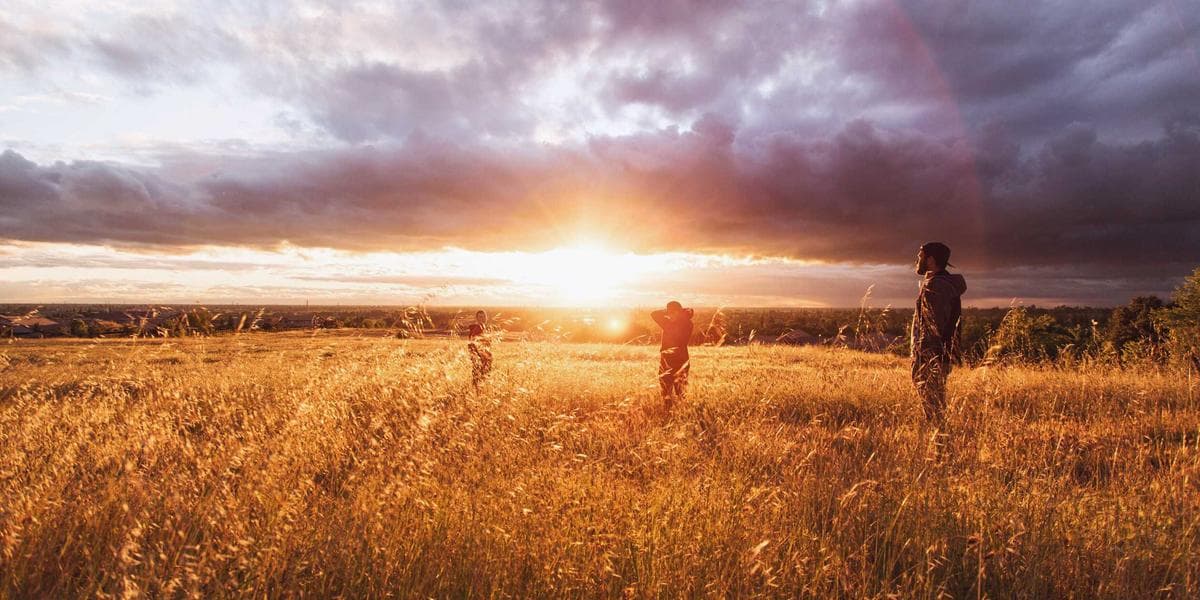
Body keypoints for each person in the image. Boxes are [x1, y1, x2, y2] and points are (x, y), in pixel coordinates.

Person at [911, 242, 967, 425]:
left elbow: (935, 326)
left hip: (932, 355)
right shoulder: (936, 282)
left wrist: (927, 356)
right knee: (934, 401)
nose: (917, 260)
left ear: (931, 260)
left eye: (920, 256)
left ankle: (938, 440)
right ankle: (938, 437)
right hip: (936, 354)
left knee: (933, 403)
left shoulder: (937, 286)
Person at [651, 301, 694, 410]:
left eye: (672, 313)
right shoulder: (669, 322)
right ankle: (668, 410)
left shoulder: (684, 324)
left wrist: (680, 313)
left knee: (680, 390)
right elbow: (654, 314)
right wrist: (676, 311)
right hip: (668, 359)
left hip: (679, 359)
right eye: (668, 313)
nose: (670, 316)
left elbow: (655, 314)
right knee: (665, 388)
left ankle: (682, 412)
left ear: (678, 313)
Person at [467, 310, 493, 388]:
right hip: (480, 357)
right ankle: (477, 393)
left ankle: (477, 392)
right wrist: (479, 355)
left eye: (484, 316)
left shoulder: (483, 327)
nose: (483, 318)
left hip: (484, 356)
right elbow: (472, 342)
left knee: (480, 375)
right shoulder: (478, 328)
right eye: (480, 317)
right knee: (479, 375)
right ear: (477, 318)